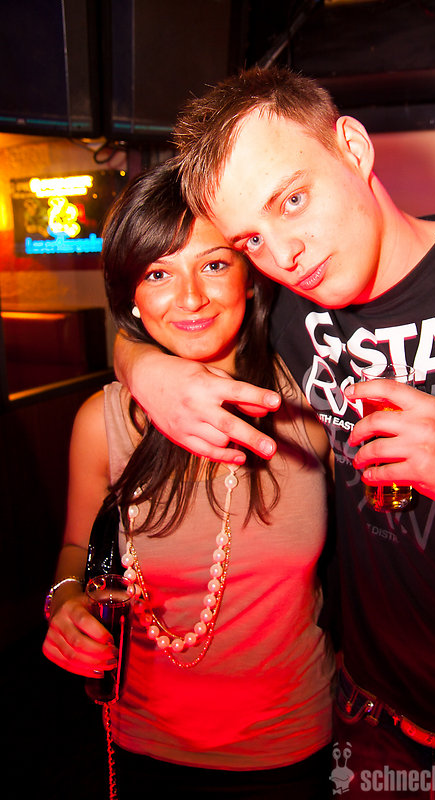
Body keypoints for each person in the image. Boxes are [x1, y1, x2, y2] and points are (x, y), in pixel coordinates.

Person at [114, 67, 435, 797]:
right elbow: (157, 312)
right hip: (370, 724)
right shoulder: (290, 315)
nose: (285, 255)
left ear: (353, 147)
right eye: (252, 238)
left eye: (293, 200)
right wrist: (145, 368)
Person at [42, 159, 336, 799]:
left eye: (214, 265)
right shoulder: (101, 421)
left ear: (250, 278)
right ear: (132, 297)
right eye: (158, 273)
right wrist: (64, 601)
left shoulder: (310, 405)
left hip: (292, 744)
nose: (191, 298)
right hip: (145, 742)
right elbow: (73, 548)